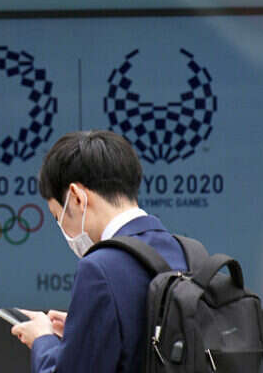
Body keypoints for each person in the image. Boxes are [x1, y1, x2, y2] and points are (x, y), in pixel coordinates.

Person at [10, 130, 188, 373]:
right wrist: (81, 330)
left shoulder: (99, 268)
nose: (62, 227)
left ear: (76, 197)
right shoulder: (185, 251)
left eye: (57, 216)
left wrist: (43, 340)